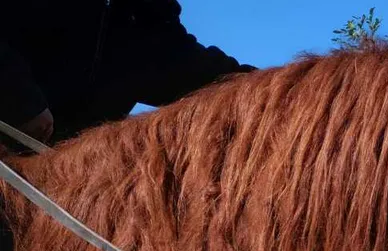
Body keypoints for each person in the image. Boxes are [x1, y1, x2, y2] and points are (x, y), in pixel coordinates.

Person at [1, 1, 254, 144]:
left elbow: (181, 63)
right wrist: (19, 100)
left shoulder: (141, 18)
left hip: (60, 176)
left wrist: (274, 90)